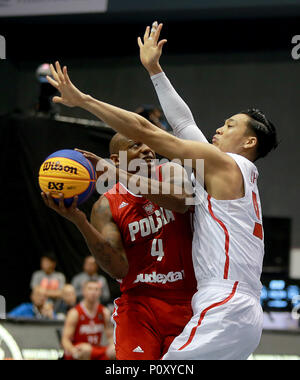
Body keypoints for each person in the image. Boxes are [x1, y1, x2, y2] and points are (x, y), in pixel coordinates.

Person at [44, 48, 278, 360]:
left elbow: (146, 131)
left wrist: (84, 101)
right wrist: (155, 70)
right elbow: (182, 122)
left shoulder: (222, 164)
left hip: (224, 305)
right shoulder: (229, 171)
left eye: (231, 125)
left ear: (249, 142)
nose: (220, 128)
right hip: (237, 310)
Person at [41, 72, 197, 358]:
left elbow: (181, 202)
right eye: (136, 146)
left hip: (187, 299)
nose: (149, 150)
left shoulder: (171, 171)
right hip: (139, 304)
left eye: (148, 144)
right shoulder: (106, 204)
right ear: (116, 159)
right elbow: (118, 269)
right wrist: (80, 221)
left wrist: (118, 174)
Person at [62, 280, 115, 360]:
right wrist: (73, 351)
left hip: (95, 349)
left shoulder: (104, 312)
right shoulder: (75, 313)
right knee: (86, 349)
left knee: (114, 350)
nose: (93, 292)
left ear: (100, 292)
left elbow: (110, 336)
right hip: (78, 350)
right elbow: (65, 339)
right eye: (90, 289)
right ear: (84, 291)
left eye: (96, 289)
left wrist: (113, 347)